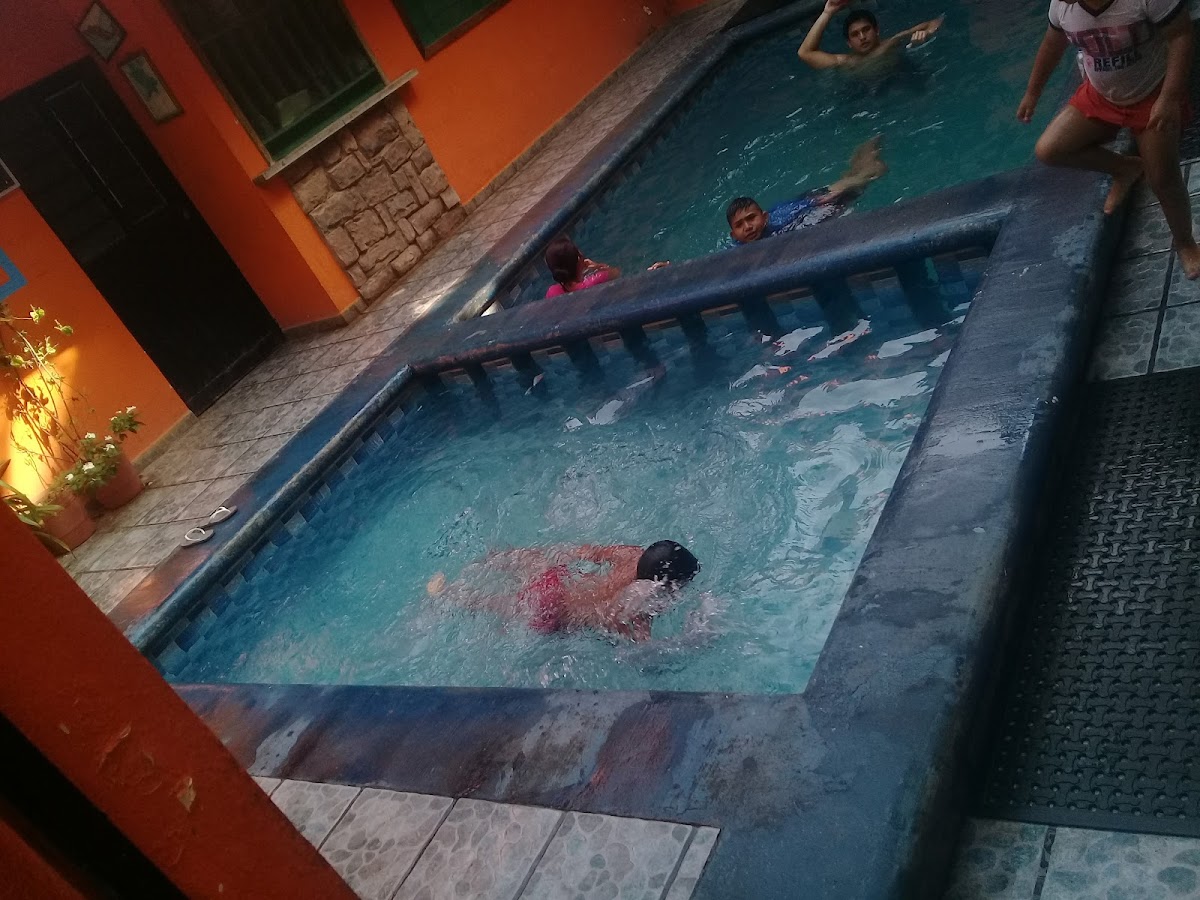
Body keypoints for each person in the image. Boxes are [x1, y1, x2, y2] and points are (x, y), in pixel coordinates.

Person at [1017, 0, 1200, 278]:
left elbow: (1181, 34)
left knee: (1163, 178)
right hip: (1100, 96)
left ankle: (1186, 243)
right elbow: (1052, 44)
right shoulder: (1062, 6)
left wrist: (1170, 97)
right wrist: (1033, 93)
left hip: (1152, 93)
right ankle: (1125, 168)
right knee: (1049, 149)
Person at [426, 540, 700, 641]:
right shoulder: (638, 602)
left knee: (527, 559)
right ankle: (448, 593)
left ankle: (479, 560)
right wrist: (694, 637)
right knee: (493, 603)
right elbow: (640, 647)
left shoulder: (632, 553)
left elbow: (587, 551)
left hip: (555, 579)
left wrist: (562, 557)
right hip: (553, 613)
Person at [727, 136, 887, 244]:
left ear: (765, 217)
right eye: (739, 225)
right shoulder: (737, 246)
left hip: (817, 204)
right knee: (851, 177)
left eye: (751, 218)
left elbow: (801, 210)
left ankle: (870, 163)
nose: (747, 227)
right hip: (803, 204)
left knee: (864, 179)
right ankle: (863, 155)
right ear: (733, 235)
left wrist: (825, 199)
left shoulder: (777, 228)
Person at [798, 0, 944, 72]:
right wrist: (827, 12)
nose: (862, 37)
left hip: (899, 79)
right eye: (855, 34)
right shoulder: (845, 62)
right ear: (849, 43)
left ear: (877, 30)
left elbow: (935, 22)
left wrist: (926, 34)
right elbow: (805, 53)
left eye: (866, 30)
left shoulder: (891, 43)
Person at [544, 236, 669, 299]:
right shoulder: (597, 279)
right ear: (579, 259)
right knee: (654, 271)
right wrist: (598, 266)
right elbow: (617, 273)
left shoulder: (552, 292)